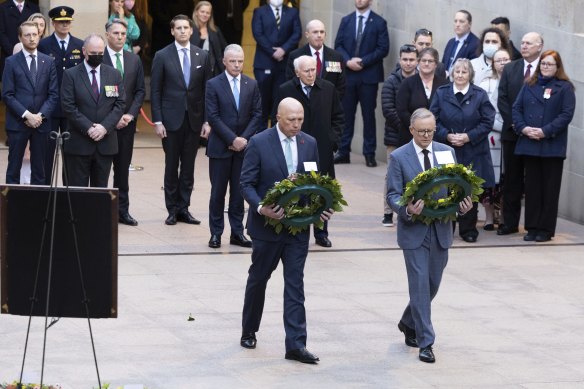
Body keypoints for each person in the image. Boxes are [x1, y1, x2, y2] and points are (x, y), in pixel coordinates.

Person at [239, 97, 332, 364]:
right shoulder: (258, 142)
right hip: (266, 228)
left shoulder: (309, 143)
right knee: (259, 279)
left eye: (300, 119)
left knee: (295, 285)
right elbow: (246, 184)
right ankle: (249, 329)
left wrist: (321, 209)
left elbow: (315, 182)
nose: (296, 124)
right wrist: (261, 208)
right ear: (278, 117)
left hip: (297, 230)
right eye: (291, 119)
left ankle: (296, 344)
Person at [386, 108, 473, 363]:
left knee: (432, 284)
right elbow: (392, 195)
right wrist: (407, 209)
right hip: (414, 230)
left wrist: (461, 205)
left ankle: (406, 321)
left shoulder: (447, 152)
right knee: (420, 285)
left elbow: (456, 187)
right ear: (412, 130)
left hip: (441, 229)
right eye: (422, 131)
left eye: (431, 131)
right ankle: (426, 341)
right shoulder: (399, 157)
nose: (426, 135)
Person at [275, 55, 344, 247]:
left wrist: (333, 141)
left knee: (322, 191)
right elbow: (278, 118)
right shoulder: (286, 90)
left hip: (322, 149)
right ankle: (293, 224)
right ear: (297, 72)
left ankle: (321, 232)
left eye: (314, 69)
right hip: (295, 148)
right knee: (295, 186)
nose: (311, 74)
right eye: (306, 71)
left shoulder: (328, 89)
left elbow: (338, 117)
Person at [150, 14, 212, 226]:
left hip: (194, 120)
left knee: (188, 166)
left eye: (186, 27)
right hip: (170, 120)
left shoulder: (202, 55)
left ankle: (184, 207)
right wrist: (157, 120)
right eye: (179, 28)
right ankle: (172, 209)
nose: (183, 31)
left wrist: (207, 121)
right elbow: (156, 90)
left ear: (191, 31)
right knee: (171, 165)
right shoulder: (162, 55)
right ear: (172, 31)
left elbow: (206, 91)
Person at [512, 50, 575, 242]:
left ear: (558, 68)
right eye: (543, 64)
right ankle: (532, 227)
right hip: (530, 143)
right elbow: (517, 108)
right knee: (532, 189)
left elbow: (566, 115)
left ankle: (546, 229)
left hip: (551, 146)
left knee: (549, 190)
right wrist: (524, 129)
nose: (546, 67)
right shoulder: (529, 85)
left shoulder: (564, 88)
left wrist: (545, 131)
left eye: (550, 64)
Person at [430, 58, 496, 243]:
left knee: (469, 189)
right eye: (457, 72)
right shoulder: (442, 93)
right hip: (447, 148)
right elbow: (433, 118)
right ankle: (446, 228)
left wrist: (469, 136)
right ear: (452, 74)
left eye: (464, 72)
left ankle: (468, 229)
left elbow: (487, 121)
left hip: (472, 150)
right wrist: (447, 136)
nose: (460, 75)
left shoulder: (480, 95)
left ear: (470, 75)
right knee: (447, 188)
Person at [205, 44, 262, 249]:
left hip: (244, 149)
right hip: (220, 148)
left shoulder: (251, 84)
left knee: (239, 194)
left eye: (240, 61)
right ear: (224, 62)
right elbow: (213, 116)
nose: (237, 65)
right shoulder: (213, 84)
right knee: (218, 193)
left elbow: (257, 114)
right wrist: (232, 139)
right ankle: (216, 233)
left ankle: (237, 233)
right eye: (233, 61)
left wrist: (243, 139)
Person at [60, 33, 126, 187]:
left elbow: (120, 103)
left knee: (100, 193)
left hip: (105, 144)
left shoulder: (114, 74)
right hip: (79, 143)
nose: (97, 56)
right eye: (93, 53)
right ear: (84, 51)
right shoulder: (71, 74)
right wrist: (89, 128)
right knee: (78, 192)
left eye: (100, 53)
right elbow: (68, 106)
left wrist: (104, 127)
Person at [496, 32, 543, 236]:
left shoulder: (547, 68)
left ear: (539, 46)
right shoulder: (511, 68)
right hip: (513, 133)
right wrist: (518, 125)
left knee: (533, 182)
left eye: (528, 43)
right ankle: (510, 223)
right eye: (522, 43)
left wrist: (532, 129)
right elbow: (503, 99)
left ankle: (533, 225)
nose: (523, 46)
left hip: (536, 136)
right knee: (512, 181)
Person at [333, 0, 389, 167]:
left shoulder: (379, 22)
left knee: (368, 116)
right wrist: (348, 61)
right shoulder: (346, 20)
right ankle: (343, 152)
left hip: (368, 77)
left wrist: (363, 61)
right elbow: (338, 45)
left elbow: (383, 48)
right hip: (348, 75)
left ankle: (369, 154)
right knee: (346, 115)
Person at [2, 21, 58, 185]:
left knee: (40, 170)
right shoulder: (11, 62)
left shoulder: (48, 62)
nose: (32, 38)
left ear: (39, 35)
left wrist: (39, 116)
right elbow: (8, 94)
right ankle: (12, 208)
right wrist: (27, 115)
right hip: (18, 123)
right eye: (27, 35)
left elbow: (53, 94)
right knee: (13, 169)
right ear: (20, 37)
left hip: (41, 124)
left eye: (35, 34)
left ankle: (38, 209)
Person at [104, 19, 145, 226]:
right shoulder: (98, 58)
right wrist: (112, 118)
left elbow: (139, 91)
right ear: (107, 35)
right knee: (102, 169)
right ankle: (102, 210)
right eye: (116, 33)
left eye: (123, 34)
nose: (120, 37)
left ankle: (122, 210)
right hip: (104, 125)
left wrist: (129, 115)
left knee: (122, 169)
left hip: (126, 124)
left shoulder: (133, 60)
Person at [38, 6, 84, 185]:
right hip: (49, 107)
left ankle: (68, 196)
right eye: (60, 22)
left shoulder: (80, 45)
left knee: (70, 155)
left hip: (72, 108)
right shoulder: (44, 44)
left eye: (67, 22)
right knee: (47, 154)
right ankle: (45, 196)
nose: (64, 25)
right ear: (53, 23)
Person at [380, 43, 418, 227]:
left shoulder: (420, 81)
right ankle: (388, 212)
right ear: (399, 60)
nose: (408, 63)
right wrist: (408, 128)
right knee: (391, 176)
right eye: (405, 59)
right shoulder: (391, 82)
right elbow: (388, 109)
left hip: (417, 136)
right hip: (395, 136)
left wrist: (417, 131)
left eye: (412, 60)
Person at [251, 0, 301, 127]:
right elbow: (257, 33)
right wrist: (272, 52)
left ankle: (275, 135)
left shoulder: (293, 12)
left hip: (284, 65)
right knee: (262, 103)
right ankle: (261, 137)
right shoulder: (259, 11)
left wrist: (283, 49)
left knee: (279, 102)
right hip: (264, 63)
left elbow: (297, 33)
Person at [478, 49, 511, 230]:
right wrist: (497, 125)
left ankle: (504, 216)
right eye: (499, 60)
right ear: (493, 63)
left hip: (510, 134)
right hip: (490, 135)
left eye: (506, 59)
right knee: (489, 180)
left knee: (507, 180)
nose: (503, 63)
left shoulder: (518, 81)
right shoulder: (486, 83)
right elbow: (484, 110)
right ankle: (489, 217)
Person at [396, 47, 448, 146]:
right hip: (410, 137)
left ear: (436, 64)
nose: (426, 63)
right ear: (418, 62)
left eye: (430, 61)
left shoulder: (444, 84)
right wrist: (419, 128)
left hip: (437, 137)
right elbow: (401, 110)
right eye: (423, 60)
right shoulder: (407, 83)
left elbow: (448, 110)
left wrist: (432, 128)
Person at [286, 19, 345, 98]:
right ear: (307, 34)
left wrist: (331, 103)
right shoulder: (295, 56)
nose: (319, 35)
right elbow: (291, 83)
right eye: (315, 32)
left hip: (328, 104)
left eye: (322, 32)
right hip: (303, 104)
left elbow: (341, 86)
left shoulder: (336, 57)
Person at [0, 0, 39, 80]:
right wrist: (14, 52)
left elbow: (38, 30)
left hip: (30, 56)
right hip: (9, 54)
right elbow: (1, 33)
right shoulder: (3, 7)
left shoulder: (33, 7)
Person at [190, 1, 227, 77]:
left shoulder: (215, 30)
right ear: (196, 12)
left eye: (208, 13)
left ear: (210, 15)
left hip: (214, 71)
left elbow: (225, 49)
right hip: (194, 72)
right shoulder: (189, 30)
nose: (205, 15)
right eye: (202, 12)